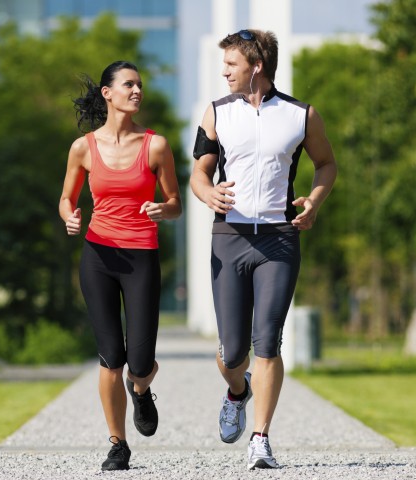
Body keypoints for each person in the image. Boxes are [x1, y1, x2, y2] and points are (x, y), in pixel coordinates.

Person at [190, 29, 337, 470]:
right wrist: (206, 194)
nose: (224, 72)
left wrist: (313, 201)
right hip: (229, 239)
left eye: (231, 64)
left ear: (256, 66)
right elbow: (199, 172)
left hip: (278, 239)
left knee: (267, 340)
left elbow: (326, 164)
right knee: (233, 352)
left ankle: (261, 438)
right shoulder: (216, 112)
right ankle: (237, 390)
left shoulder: (301, 114)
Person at [59, 60, 182, 471]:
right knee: (111, 355)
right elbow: (66, 198)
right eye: (129, 84)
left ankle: (141, 389)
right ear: (107, 93)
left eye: (140, 85)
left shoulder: (156, 146)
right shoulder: (83, 148)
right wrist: (70, 215)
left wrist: (164, 210)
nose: (137, 91)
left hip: (141, 256)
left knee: (140, 362)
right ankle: (117, 444)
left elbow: (176, 203)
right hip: (98, 256)